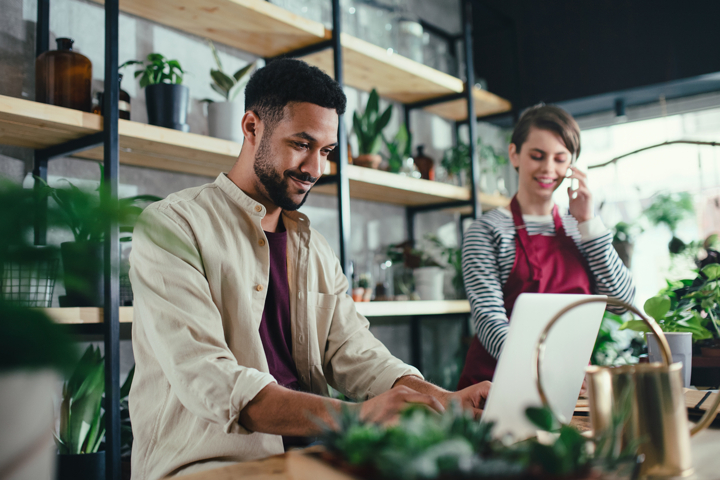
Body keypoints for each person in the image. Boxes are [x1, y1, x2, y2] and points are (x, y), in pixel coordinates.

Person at [128, 58, 491, 480]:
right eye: (301, 144)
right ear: (251, 128)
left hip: (311, 459)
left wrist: (441, 399)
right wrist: (357, 418)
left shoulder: (314, 248)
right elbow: (210, 377)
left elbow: (355, 352)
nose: (316, 169)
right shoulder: (172, 225)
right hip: (207, 464)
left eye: (327, 151)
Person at [457, 104, 635, 389]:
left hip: (569, 384)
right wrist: (547, 371)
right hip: (497, 385)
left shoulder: (581, 228)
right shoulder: (487, 231)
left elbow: (621, 301)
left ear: (572, 165)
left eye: (560, 159)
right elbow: (489, 321)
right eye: (537, 156)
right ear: (514, 154)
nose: (549, 169)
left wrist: (588, 222)